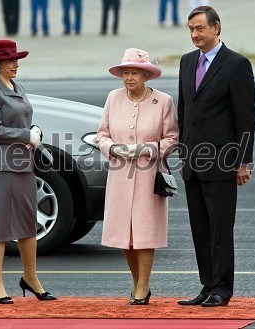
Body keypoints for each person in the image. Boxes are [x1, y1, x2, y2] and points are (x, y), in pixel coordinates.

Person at [177, 6, 255, 307]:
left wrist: (243, 161)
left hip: (224, 162)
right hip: (193, 163)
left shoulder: (236, 64)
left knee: (220, 229)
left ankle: (222, 288)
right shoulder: (187, 62)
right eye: (191, 29)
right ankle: (207, 284)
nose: (195, 34)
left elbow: (245, 117)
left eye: (200, 28)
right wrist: (184, 153)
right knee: (200, 228)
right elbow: (185, 112)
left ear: (216, 28)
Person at [95, 48, 178, 305]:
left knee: (144, 232)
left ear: (146, 75)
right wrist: (113, 148)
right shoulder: (114, 97)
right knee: (124, 234)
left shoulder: (163, 101)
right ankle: (136, 282)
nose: (129, 77)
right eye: (126, 72)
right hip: (120, 173)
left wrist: (148, 149)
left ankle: (143, 285)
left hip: (148, 174)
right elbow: (101, 135)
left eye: (135, 73)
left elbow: (173, 139)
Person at [0, 39, 57, 304]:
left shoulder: (15, 86)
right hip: (0, 164)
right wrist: (26, 134)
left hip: (23, 163)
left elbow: (21, 118)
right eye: (11, 60)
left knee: (27, 223)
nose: (16, 64)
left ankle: (31, 278)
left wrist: (34, 132)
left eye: (16, 59)